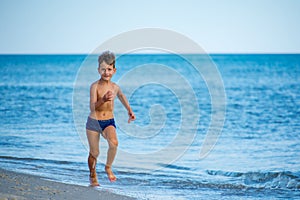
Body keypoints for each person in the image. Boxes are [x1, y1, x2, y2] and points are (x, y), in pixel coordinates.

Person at [86, 51, 135, 186]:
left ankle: (108, 167)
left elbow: (121, 96)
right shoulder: (94, 86)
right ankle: (92, 174)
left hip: (109, 121)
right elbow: (92, 107)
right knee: (94, 152)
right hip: (93, 122)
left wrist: (129, 111)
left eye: (109, 69)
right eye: (103, 69)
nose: (106, 72)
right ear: (98, 70)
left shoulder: (115, 87)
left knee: (114, 143)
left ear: (114, 70)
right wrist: (103, 99)